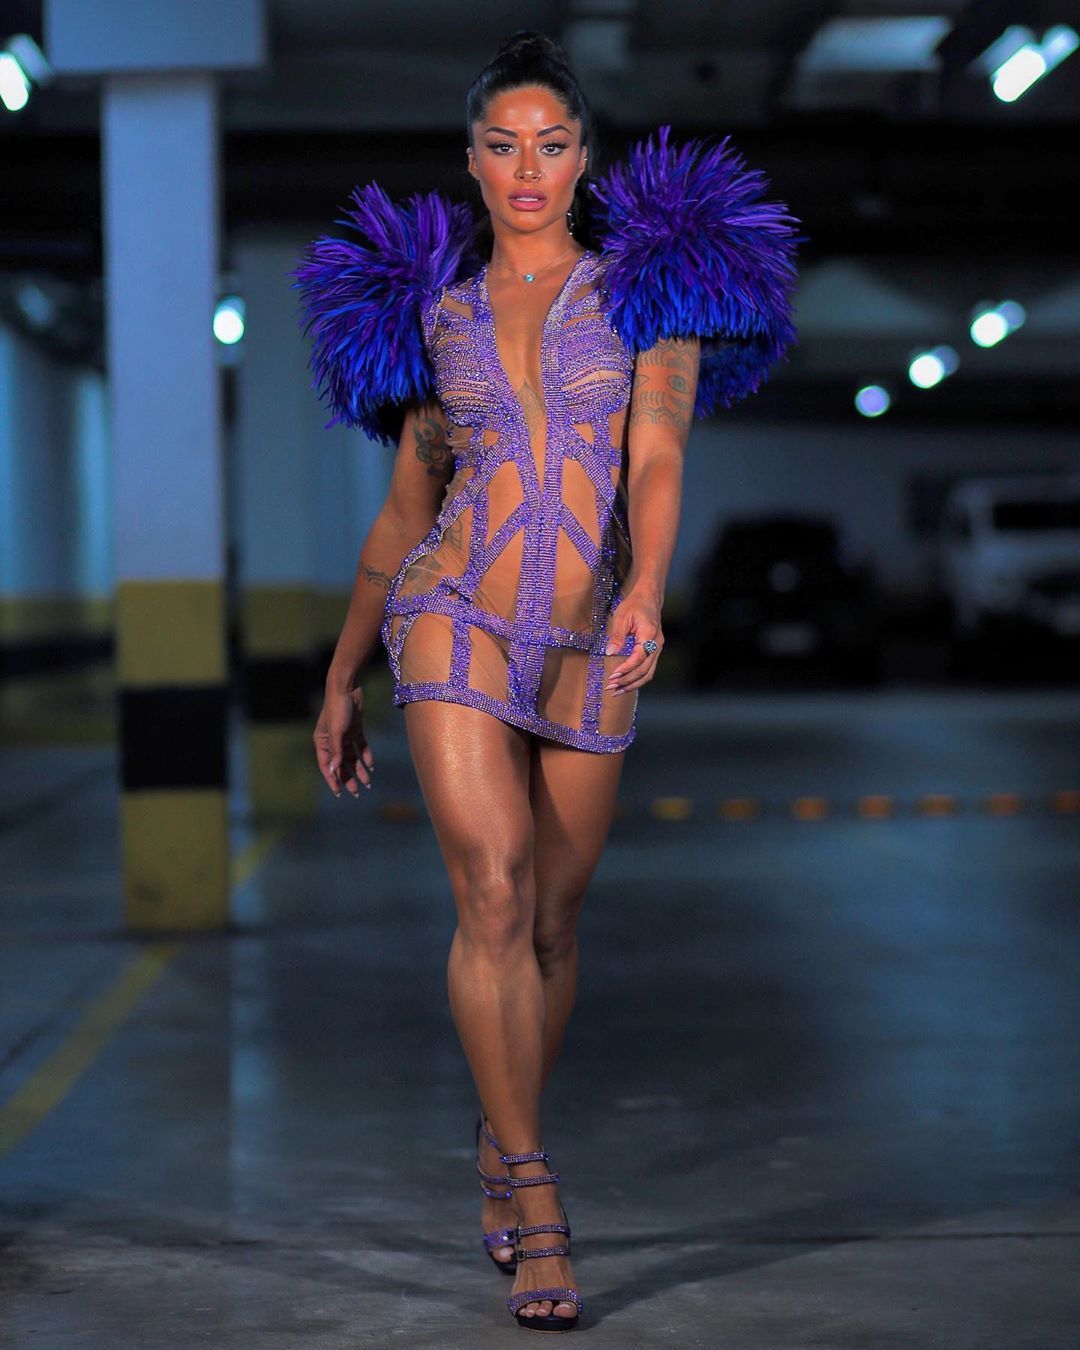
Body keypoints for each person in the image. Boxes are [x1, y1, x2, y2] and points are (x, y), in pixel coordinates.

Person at [292, 29, 799, 1333]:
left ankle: (496, 1122)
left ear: (585, 159)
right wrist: (342, 675)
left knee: (555, 925)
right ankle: (533, 1182)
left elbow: (661, 458)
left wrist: (648, 588)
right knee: (495, 888)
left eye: (552, 144)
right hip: (452, 615)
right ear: (470, 161)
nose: (527, 168)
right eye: (503, 145)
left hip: (590, 639)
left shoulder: (652, 296)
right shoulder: (436, 314)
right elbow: (404, 515)